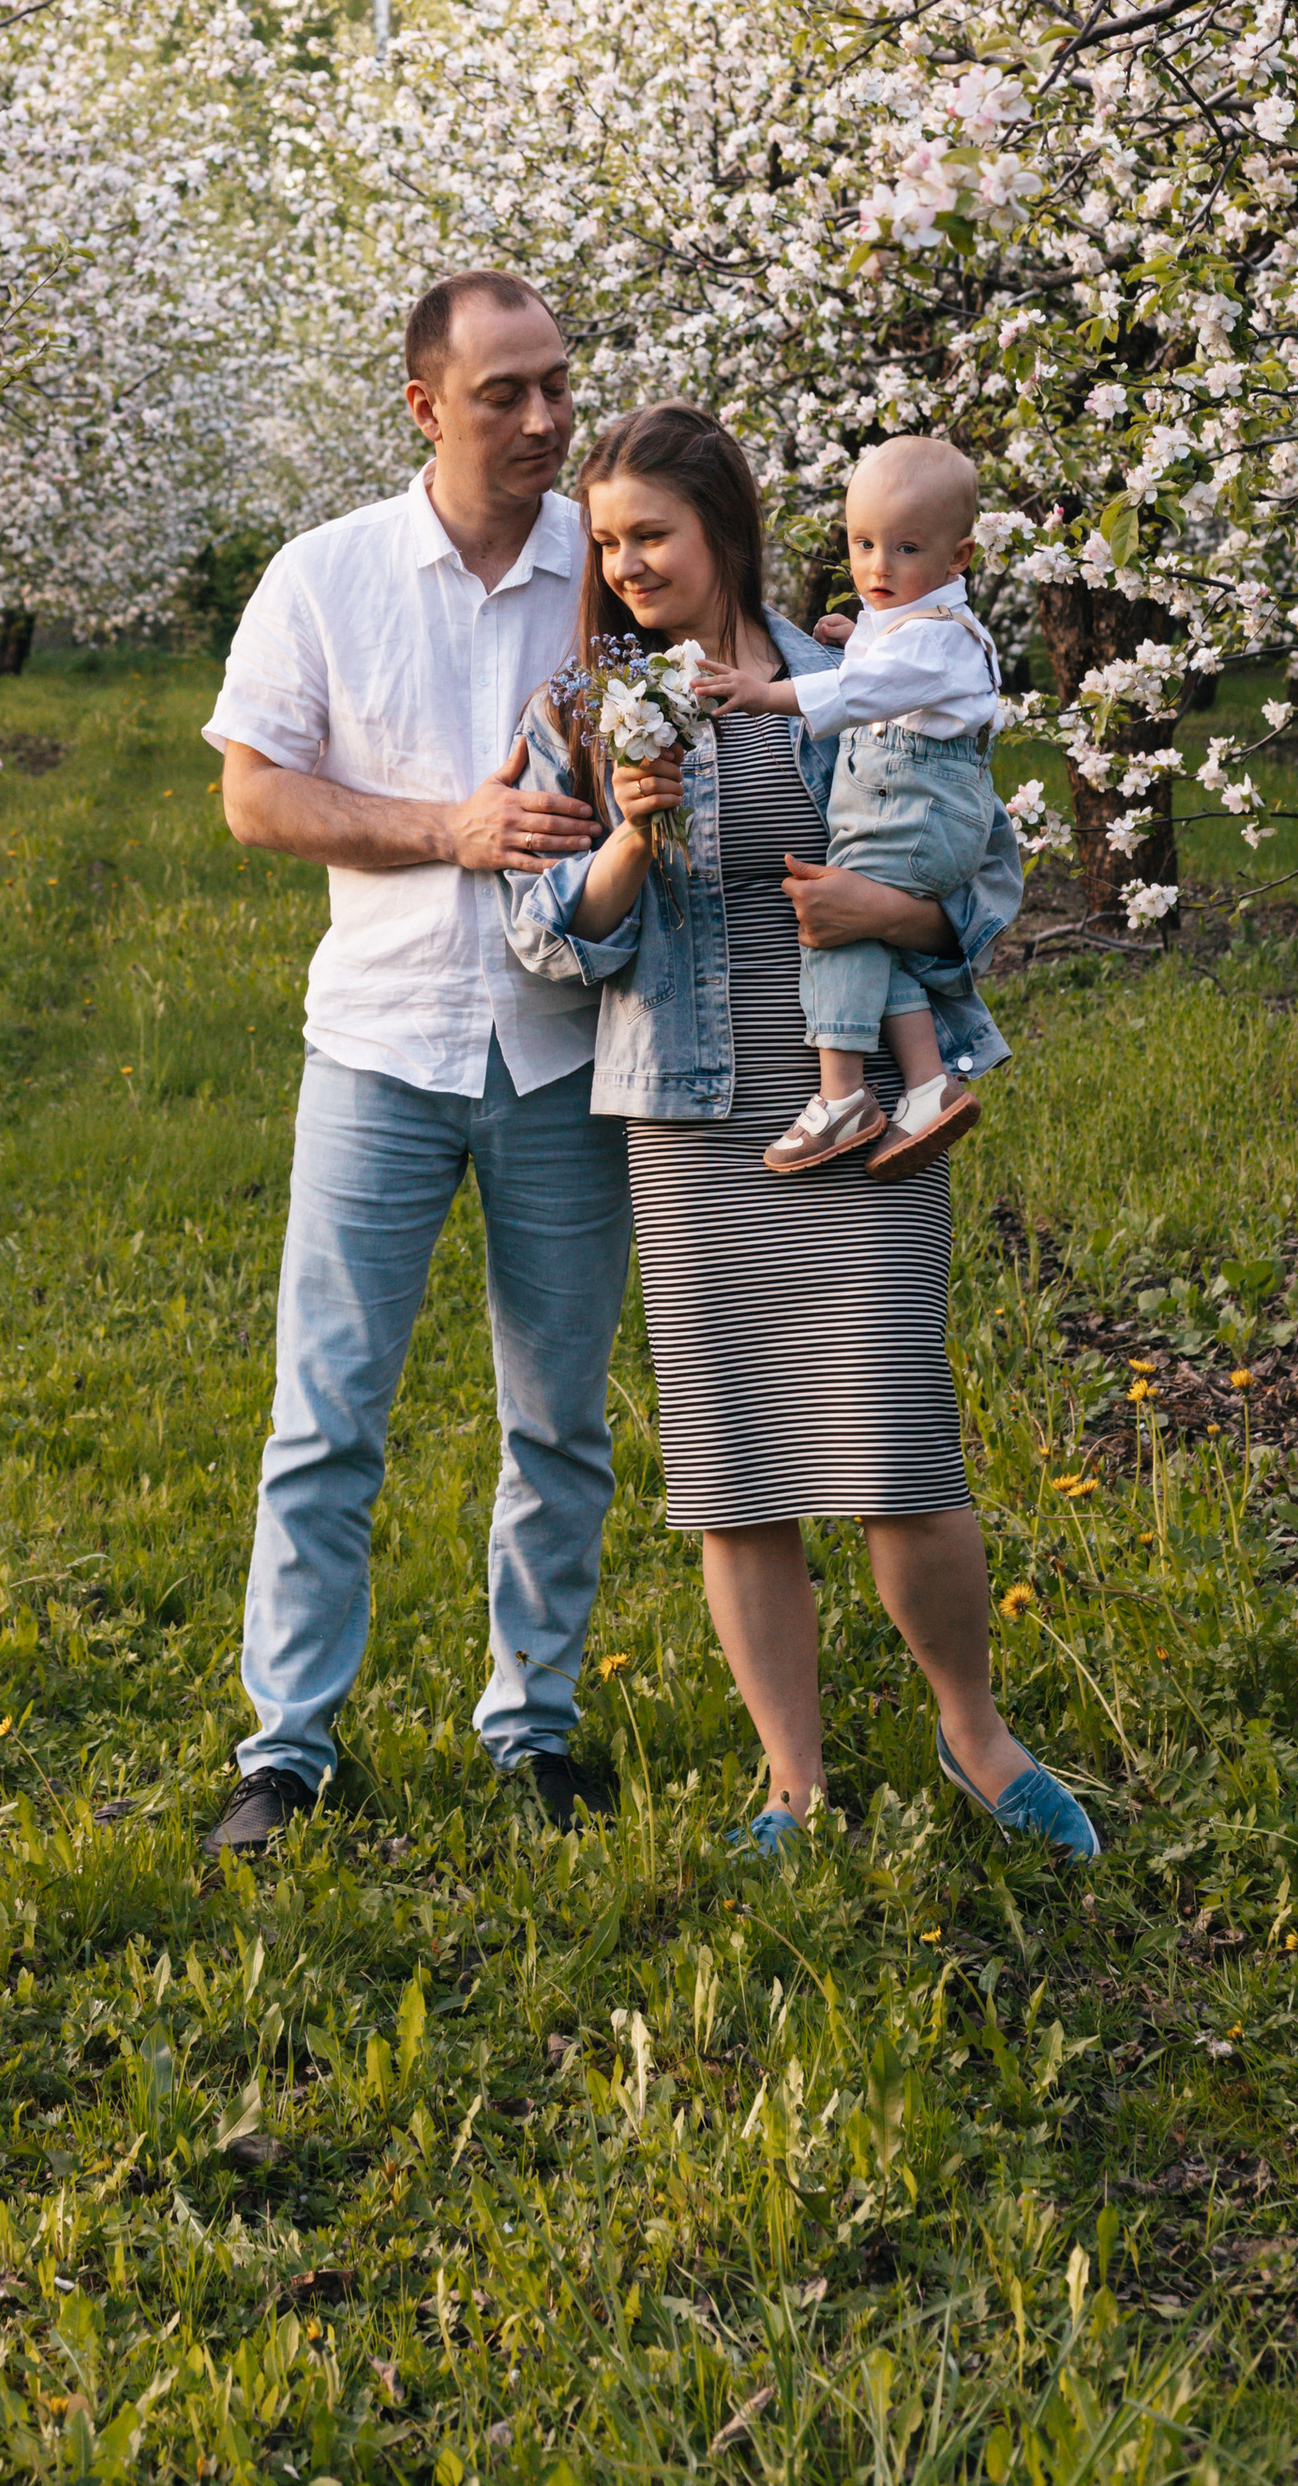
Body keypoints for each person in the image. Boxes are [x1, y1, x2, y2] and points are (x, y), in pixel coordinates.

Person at [504, 402, 1097, 1860]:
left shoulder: (870, 669)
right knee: (740, 1470)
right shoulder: (587, 708)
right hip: (697, 1122)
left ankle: (976, 1734)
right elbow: (546, 939)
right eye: (609, 544)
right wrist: (632, 836)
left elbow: (984, 883)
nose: (629, 564)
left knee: (897, 1447)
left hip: (872, 1108)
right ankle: (796, 1785)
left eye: (654, 534)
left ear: (725, 529)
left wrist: (885, 912)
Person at [200, 271, 633, 1853]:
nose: (543, 420)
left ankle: (534, 1727)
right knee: (327, 1416)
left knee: (560, 1421)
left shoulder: (615, 567)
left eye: (560, 388)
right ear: (424, 406)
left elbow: (756, 662)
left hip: (566, 1054)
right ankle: (288, 1746)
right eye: (507, 392)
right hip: (380, 1047)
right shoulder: (326, 577)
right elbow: (256, 797)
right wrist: (450, 830)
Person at [689, 434, 1003, 1182]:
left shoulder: (933, 641)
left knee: (832, 923)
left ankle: (842, 1095)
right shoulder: (914, 625)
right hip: (916, 805)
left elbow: (866, 692)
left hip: (915, 808)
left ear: (957, 558)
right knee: (873, 937)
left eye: (904, 549)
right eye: (862, 544)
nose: (876, 567)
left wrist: (767, 694)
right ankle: (927, 1086)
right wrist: (855, 633)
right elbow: (882, 665)